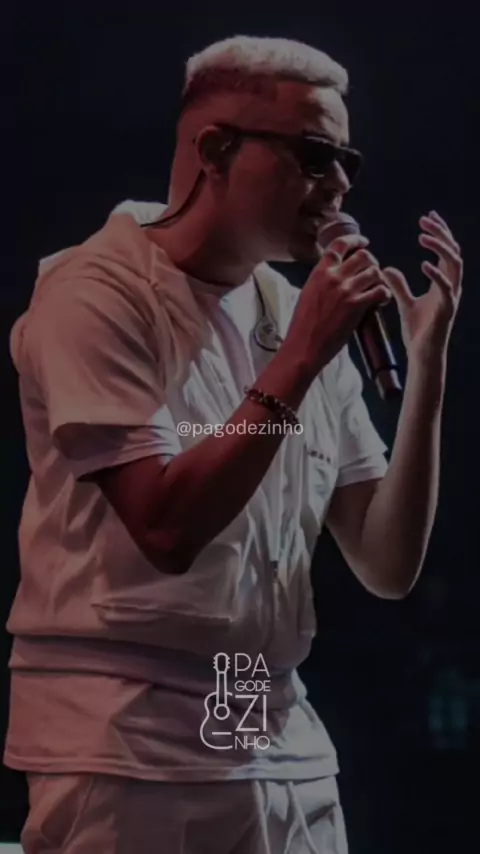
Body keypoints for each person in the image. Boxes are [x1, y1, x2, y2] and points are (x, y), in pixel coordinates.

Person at [4, 34, 463, 854]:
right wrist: (301, 357)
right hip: (125, 737)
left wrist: (426, 368)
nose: (340, 184)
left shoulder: (296, 316)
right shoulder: (96, 294)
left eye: (348, 160)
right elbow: (166, 528)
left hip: (259, 711)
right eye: (315, 154)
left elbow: (388, 564)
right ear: (215, 150)